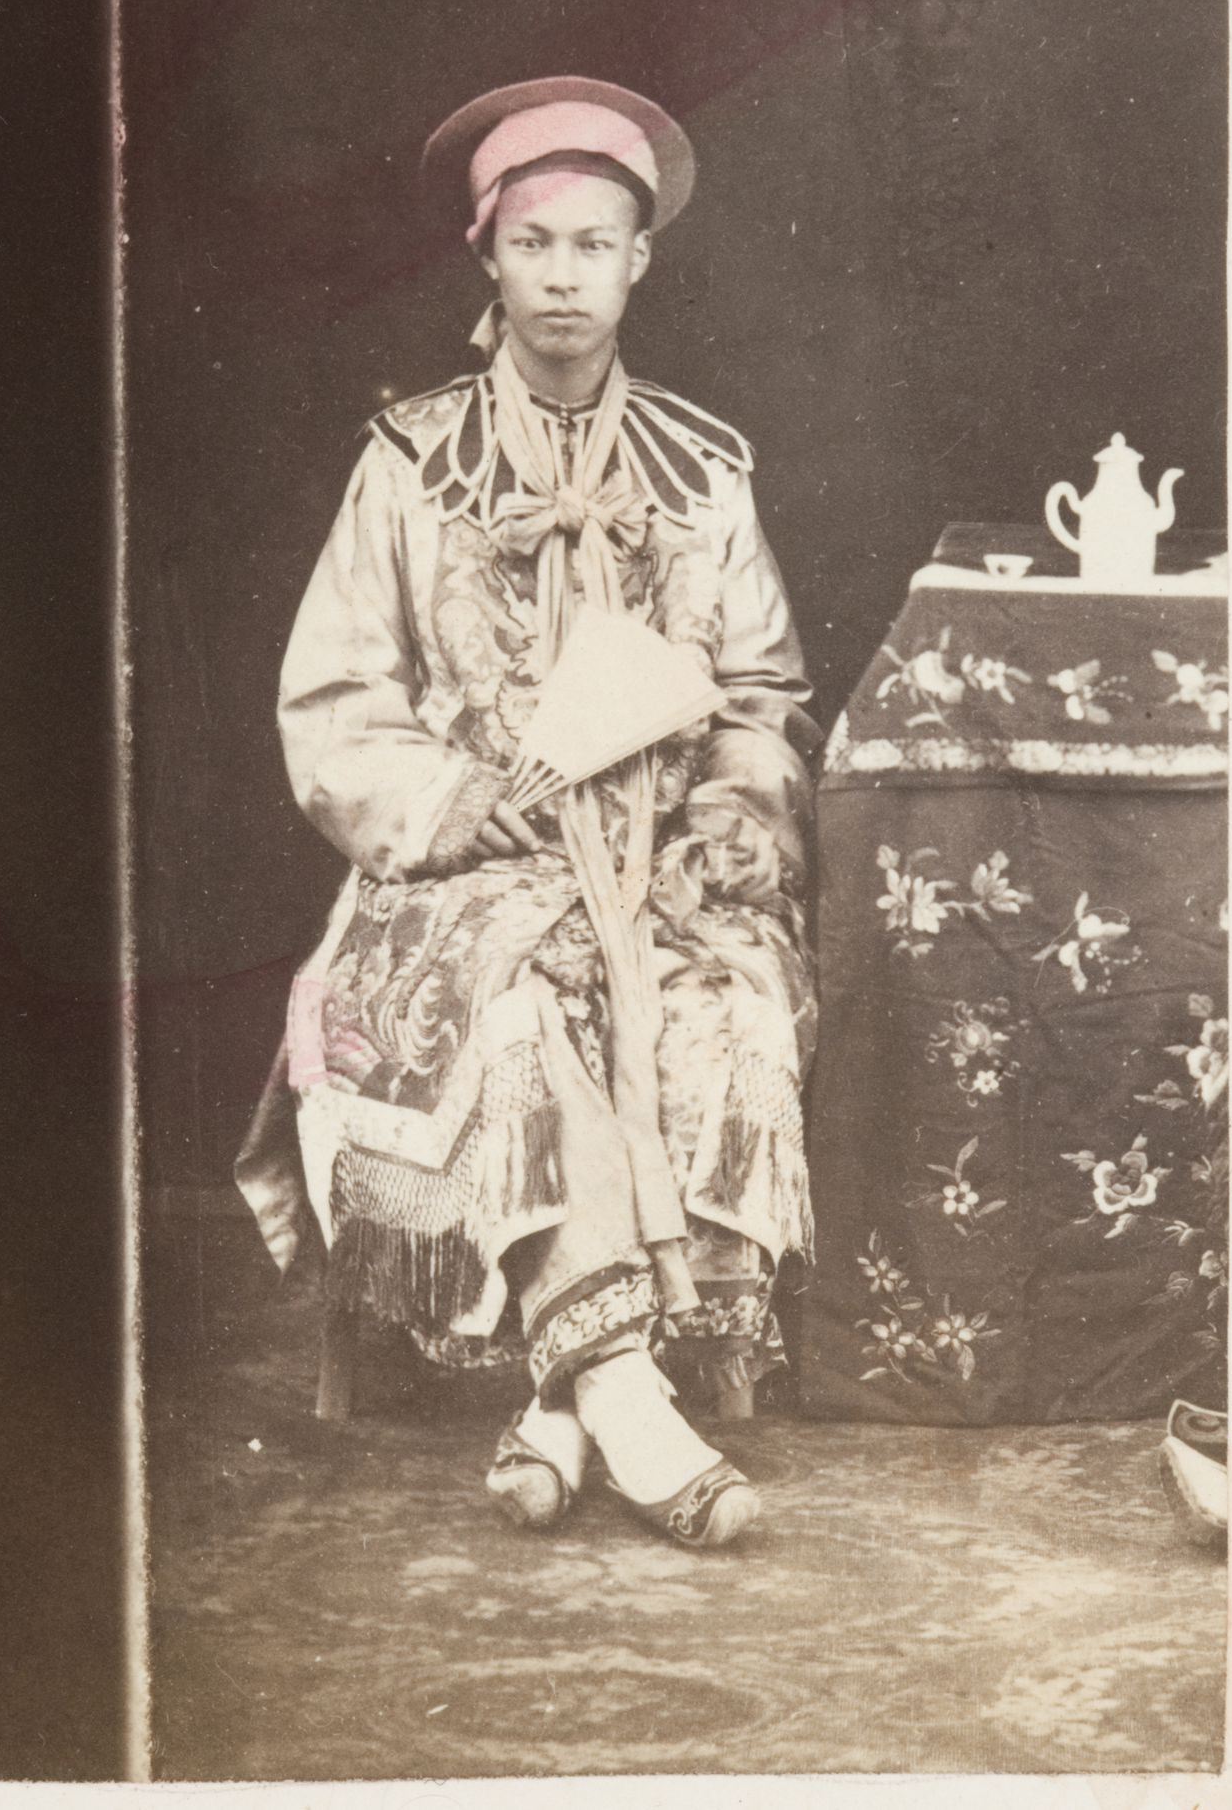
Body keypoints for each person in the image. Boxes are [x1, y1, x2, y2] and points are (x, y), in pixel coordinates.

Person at [237, 77, 820, 1549]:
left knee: (730, 995)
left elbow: (760, 691)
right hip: (456, 869)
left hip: (656, 858)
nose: (563, 276)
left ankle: (559, 1402)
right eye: (534, 244)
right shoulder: (413, 466)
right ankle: (628, 1396)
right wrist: (455, 798)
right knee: (514, 1000)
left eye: (595, 245)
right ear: (487, 258)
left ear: (641, 262)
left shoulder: (706, 472)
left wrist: (739, 811)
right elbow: (333, 703)